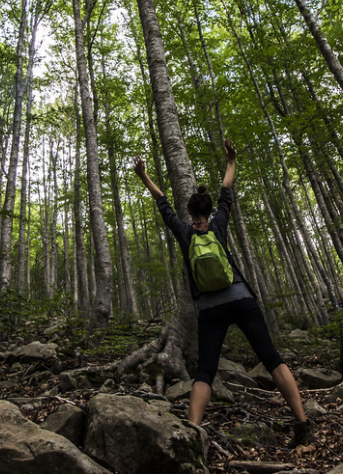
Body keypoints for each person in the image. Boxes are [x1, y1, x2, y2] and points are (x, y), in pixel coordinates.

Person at [132, 138, 316, 447]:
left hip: (209, 309)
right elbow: (226, 193)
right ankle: (302, 423)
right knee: (271, 358)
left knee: (205, 370)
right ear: (207, 210)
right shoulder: (218, 225)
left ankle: (192, 432)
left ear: (190, 213)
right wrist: (231, 160)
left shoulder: (185, 232)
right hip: (241, 298)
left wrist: (143, 175)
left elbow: (162, 202)